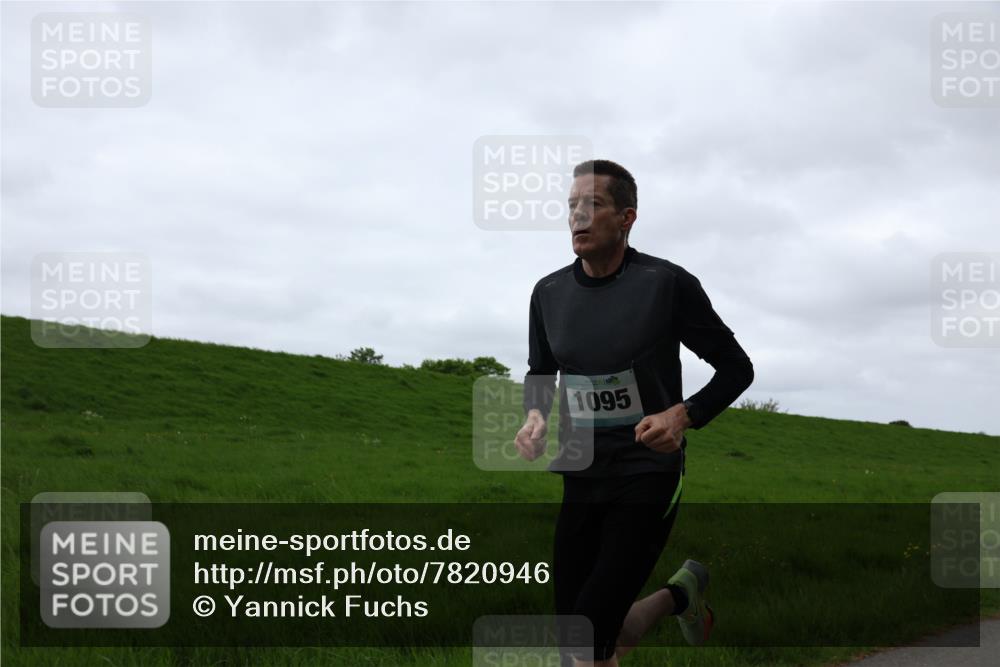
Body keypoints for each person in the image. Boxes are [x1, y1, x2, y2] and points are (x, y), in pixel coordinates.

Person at [514, 159, 754, 666]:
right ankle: (681, 595)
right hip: (581, 473)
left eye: (593, 204)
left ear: (626, 218)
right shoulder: (549, 293)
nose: (578, 216)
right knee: (585, 631)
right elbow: (541, 371)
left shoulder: (666, 285)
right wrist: (535, 416)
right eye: (572, 206)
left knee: (585, 640)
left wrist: (681, 416)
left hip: (648, 473)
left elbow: (737, 369)